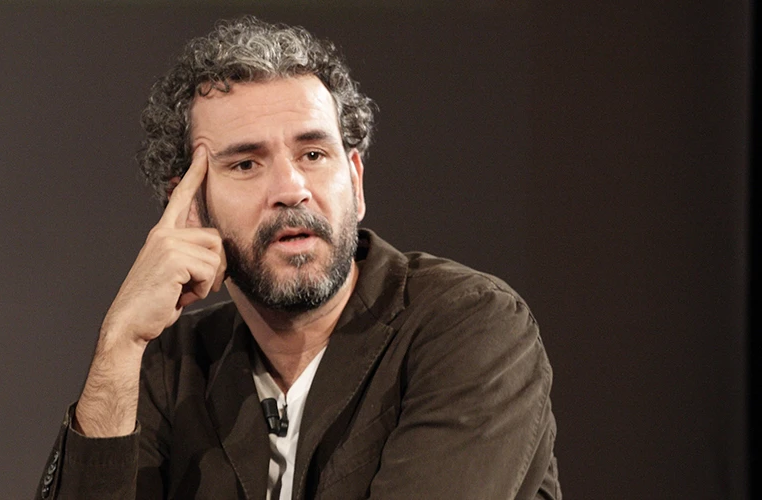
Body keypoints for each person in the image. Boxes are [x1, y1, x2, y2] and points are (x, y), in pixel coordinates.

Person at [36, 16, 561, 500]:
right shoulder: (172, 366)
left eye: (313, 154)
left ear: (355, 181)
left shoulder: (470, 325)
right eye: (246, 164)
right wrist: (120, 342)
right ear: (190, 205)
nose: (291, 189)